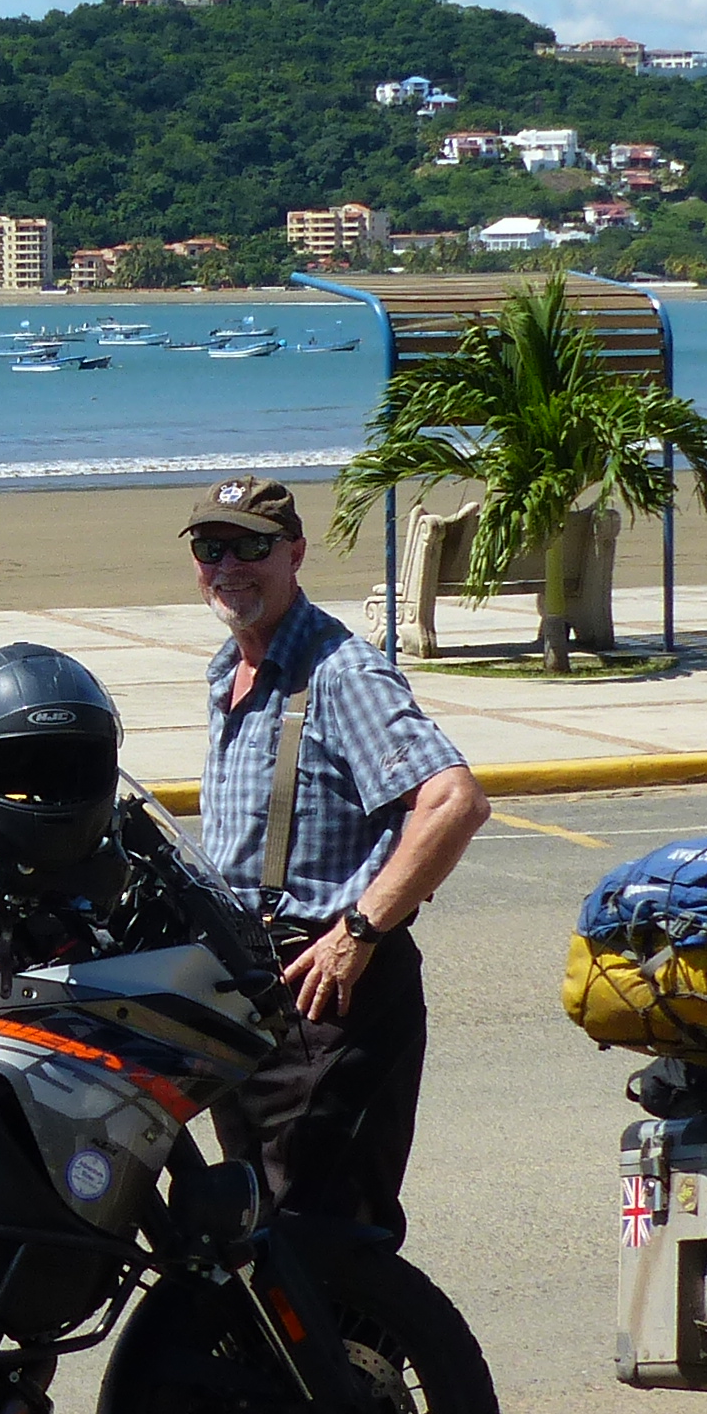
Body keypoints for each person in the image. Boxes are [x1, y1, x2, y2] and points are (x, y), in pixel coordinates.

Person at [184, 474, 490, 1237]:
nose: (229, 567)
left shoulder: (340, 672)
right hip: (254, 998)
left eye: (251, 548)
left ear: (294, 554)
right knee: (256, 1229)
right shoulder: (230, 673)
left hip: (329, 1004)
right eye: (212, 548)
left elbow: (453, 801)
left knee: (325, 1237)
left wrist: (359, 931)